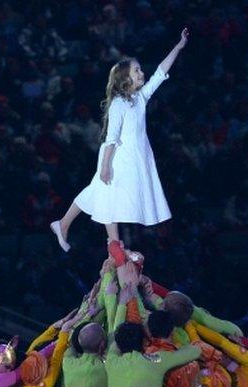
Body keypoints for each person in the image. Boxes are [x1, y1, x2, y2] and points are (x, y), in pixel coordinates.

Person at [50, 28, 189, 251]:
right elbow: (111, 137)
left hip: (132, 156)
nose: (141, 73)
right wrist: (105, 166)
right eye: (136, 70)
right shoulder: (118, 103)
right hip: (117, 156)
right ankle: (112, 243)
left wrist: (178, 47)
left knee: (98, 193)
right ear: (125, 78)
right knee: (107, 195)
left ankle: (64, 225)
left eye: (140, 69)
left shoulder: (139, 98)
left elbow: (160, 73)